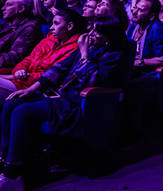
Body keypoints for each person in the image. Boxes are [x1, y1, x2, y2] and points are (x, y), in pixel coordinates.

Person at [0, 16, 131, 189]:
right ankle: (5, 157)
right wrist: (30, 89)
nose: (90, 34)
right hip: (62, 95)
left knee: (23, 111)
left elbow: (94, 81)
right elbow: (59, 68)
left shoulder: (115, 54)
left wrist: (84, 55)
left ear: (108, 36)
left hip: (79, 102)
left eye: (96, 32)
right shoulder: (91, 47)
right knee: (14, 101)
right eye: (90, 29)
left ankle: (12, 173)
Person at [0, 9, 86, 100]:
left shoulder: (76, 48)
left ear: (69, 26)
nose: (51, 27)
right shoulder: (49, 40)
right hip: (20, 80)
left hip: (35, 87)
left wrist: (16, 77)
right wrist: (20, 70)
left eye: (56, 23)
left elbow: (50, 74)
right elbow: (29, 58)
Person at [0, 0, 41, 70]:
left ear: (21, 9)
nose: (3, 8)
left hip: (10, 69)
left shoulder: (30, 28)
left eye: (8, 5)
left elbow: (15, 56)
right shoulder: (8, 23)